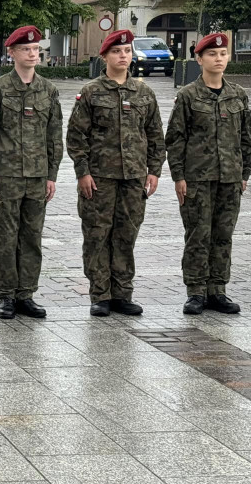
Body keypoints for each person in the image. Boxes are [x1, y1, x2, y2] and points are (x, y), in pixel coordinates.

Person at [67, 30, 165, 317]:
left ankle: (123, 293)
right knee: (97, 234)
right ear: (105, 56)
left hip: (134, 177)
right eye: (117, 52)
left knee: (126, 234)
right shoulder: (91, 92)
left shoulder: (144, 93)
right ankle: (100, 294)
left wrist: (154, 170)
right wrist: (82, 172)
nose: (123, 56)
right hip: (100, 178)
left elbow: (155, 135)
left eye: (127, 51)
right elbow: (76, 136)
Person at [0, 26, 63, 319]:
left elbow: (54, 135)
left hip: (38, 176)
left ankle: (26, 293)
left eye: (36, 49)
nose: (32, 53)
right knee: (6, 236)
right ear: (12, 52)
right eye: (26, 49)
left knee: (32, 237)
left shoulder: (48, 90)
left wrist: (52, 175)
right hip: (7, 176)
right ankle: (6, 295)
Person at [166, 32, 251, 315]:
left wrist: (244, 174)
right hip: (197, 179)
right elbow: (176, 138)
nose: (219, 59)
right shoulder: (188, 96)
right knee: (198, 235)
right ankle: (196, 292)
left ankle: (218, 290)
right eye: (212, 55)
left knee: (223, 235)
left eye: (223, 54)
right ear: (199, 59)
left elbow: (246, 138)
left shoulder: (238, 95)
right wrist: (178, 176)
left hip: (230, 178)